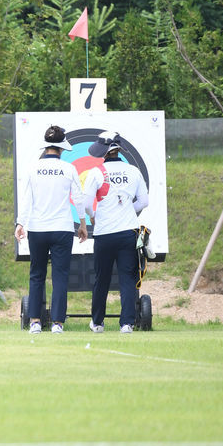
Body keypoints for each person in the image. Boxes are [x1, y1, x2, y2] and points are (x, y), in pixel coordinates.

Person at [15, 125, 88, 334]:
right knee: (60, 276)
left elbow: (27, 198)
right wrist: (82, 224)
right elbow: (79, 198)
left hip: (38, 228)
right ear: (61, 148)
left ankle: (35, 322)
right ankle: (57, 323)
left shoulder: (32, 168)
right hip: (62, 229)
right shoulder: (69, 169)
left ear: (46, 146)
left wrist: (21, 223)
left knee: (36, 274)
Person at [81, 131, 149, 334]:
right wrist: (129, 211)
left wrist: (93, 216)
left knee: (102, 278)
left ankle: (98, 323)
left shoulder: (96, 172)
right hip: (128, 232)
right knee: (128, 278)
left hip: (104, 233)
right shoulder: (133, 171)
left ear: (103, 151)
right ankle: (127, 324)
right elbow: (144, 202)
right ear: (119, 149)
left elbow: (86, 204)